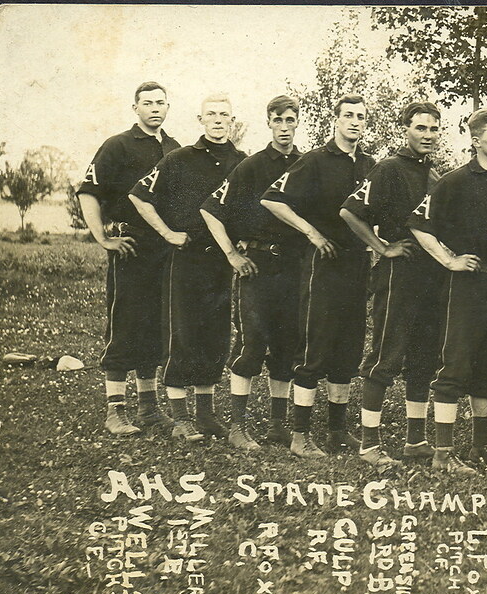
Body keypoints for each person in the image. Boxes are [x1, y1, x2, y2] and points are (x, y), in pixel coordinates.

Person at [261, 94, 377, 459]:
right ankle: (299, 436)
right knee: (315, 346)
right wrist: (311, 233)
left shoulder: (370, 165)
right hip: (323, 263)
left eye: (360, 117)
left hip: (356, 264)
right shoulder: (315, 160)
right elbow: (272, 199)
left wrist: (377, 244)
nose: (355, 122)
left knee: (347, 348)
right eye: (348, 116)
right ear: (335, 119)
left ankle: (337, 432)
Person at [409, 108, 487, 475]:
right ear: (476, 141)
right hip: (468, 285)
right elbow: (419, 224)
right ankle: (443, 453)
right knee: (456, 364)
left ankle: (480, 447)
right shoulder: (455, 181)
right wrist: (448, 260)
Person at [129, 93, 247, 442]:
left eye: (224, 114)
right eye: (210, 114)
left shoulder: (242, 162)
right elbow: (138, 194)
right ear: (200, 119)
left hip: (223, 261)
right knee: (185, 334)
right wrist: (167, 232)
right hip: (188, 259)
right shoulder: (179, 158)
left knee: (216, 337)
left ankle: (206, 415)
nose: (217, 120)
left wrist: (241, 240)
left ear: (232, 120)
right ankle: (181, 419)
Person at [340, 102, 443, 465]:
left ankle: (415, 442)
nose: (427, 135)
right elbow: (350, 211)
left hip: (432, 275)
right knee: (387, 354)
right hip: (400, 273)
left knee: (424, 358)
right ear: (406, 129)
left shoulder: (434, 175)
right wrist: (382, 247)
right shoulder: (388, 169)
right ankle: (369, 445)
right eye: (420, 128)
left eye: (433, 129)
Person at [199, 95, 303, 451]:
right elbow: (211, 208)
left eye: (291, 120)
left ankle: (277, 425)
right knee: (251, 342)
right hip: (258, 265)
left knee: (288, 346)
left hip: (296, 267)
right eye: (279, 120)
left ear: (298, 122)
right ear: (269, 122)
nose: (285, 128)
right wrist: (231, 253)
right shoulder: (252, 165)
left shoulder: (306, 164)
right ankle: (238, 427)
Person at [76, 82, 181, 436]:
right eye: (147, 103)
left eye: (160, 103)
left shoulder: (175, 148)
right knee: (125, 323)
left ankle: (149, 408)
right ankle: (115, 410)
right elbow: (88, 192)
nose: (155, 108)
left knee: (156, 325)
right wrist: (103, 238)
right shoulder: (117, 146)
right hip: (130, 245)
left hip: (164, 250)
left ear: (168, 107)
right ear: (134, 108)